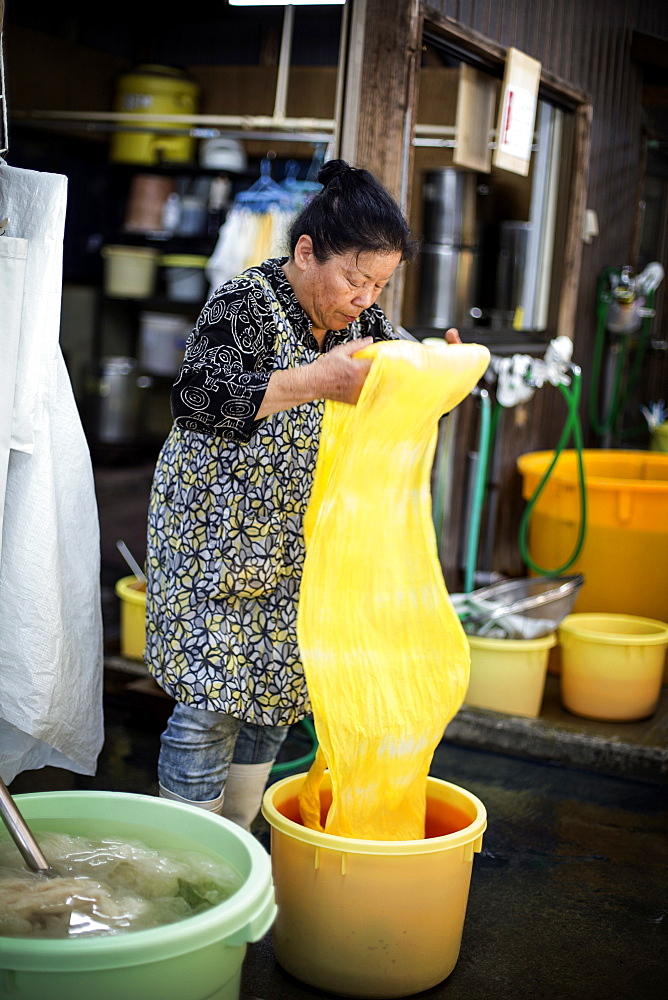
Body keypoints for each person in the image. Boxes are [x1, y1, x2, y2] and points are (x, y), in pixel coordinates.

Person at [144, 158, 460, 831]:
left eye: (378, 285)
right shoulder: (244, 302)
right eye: (354, 278)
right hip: (213, 545)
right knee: (209, 706)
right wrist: (315, 379)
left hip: (293, 550)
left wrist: (443, 367)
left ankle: (237, 841)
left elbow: (404, 376)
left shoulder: (359, 326)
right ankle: (187, 858)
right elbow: (199, 398)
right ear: (306, 251)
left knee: (270, 703)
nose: (364, 298)